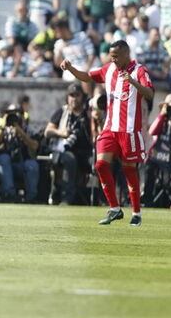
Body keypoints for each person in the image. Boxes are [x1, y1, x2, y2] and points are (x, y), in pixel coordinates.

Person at [61, 40, 154, 226]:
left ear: (126, 54)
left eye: (116, 56)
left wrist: (133, 82)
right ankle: (114, 208)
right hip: (110, 128)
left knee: (129, 171)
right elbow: (87, 77)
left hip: (129, 131)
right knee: (101, 164)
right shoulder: (109, 69)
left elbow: (150, 93)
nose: (113, 59)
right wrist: (71, 69)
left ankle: (136, 213)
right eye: (111, 56)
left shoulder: (139, 71)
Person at [43, 84, 93, 205]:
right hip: (63, 151)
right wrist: (61, 133)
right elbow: (47, 132)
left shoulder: (88, 114)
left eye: (77, 95)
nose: (74, 99)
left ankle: (103, 200)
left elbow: (94, 136)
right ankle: (66, 198)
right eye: (71, 95)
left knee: (100, 163)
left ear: (83, 97)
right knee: (70, 160)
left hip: (85, 152)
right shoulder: (62, 111)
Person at [0, 104, 40, 202]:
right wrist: (3, 127)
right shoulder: (3, 130)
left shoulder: (29, 130)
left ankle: (31, 198)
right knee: (4, 158)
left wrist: (20, 131)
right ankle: (9, 195)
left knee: (32, 165)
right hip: (5, 167)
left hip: (23, 164)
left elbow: (34, 146)